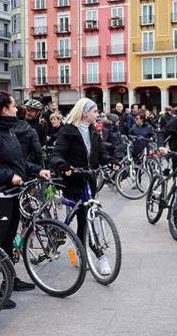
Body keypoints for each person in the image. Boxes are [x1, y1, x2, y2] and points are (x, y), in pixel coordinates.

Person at [0, 88, 51, 308]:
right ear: (4, 110)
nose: (17, 108)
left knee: (6, 242)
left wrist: (35, 170)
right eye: (13, 105)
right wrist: (8, 176)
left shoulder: (7, 130)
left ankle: (10, 280)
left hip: (10, 195)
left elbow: (16, 162)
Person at [50, 98, 118, 275]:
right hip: (73, 180)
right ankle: (99, 256)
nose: (97, 115)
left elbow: (101, 152)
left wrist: (110, 162)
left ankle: (84, 253)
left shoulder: (93, 130)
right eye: (95, 111)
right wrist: (63, 166)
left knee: (86, 218)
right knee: (83, 217)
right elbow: (57, 154)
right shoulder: (68, 131)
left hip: (88, 179)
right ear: (85, 112)